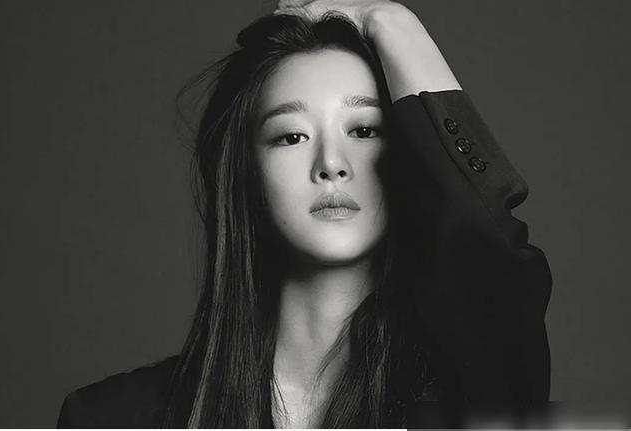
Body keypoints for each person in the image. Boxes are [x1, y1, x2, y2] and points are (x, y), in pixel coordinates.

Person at [57, 0, 552, 428]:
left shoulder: (472, 392)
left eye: (364, 130)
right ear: (248, 172)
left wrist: (391, 21)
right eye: (291, 136)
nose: (331, 164)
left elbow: (491, 253)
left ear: (410, 154)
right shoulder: (112, 417)